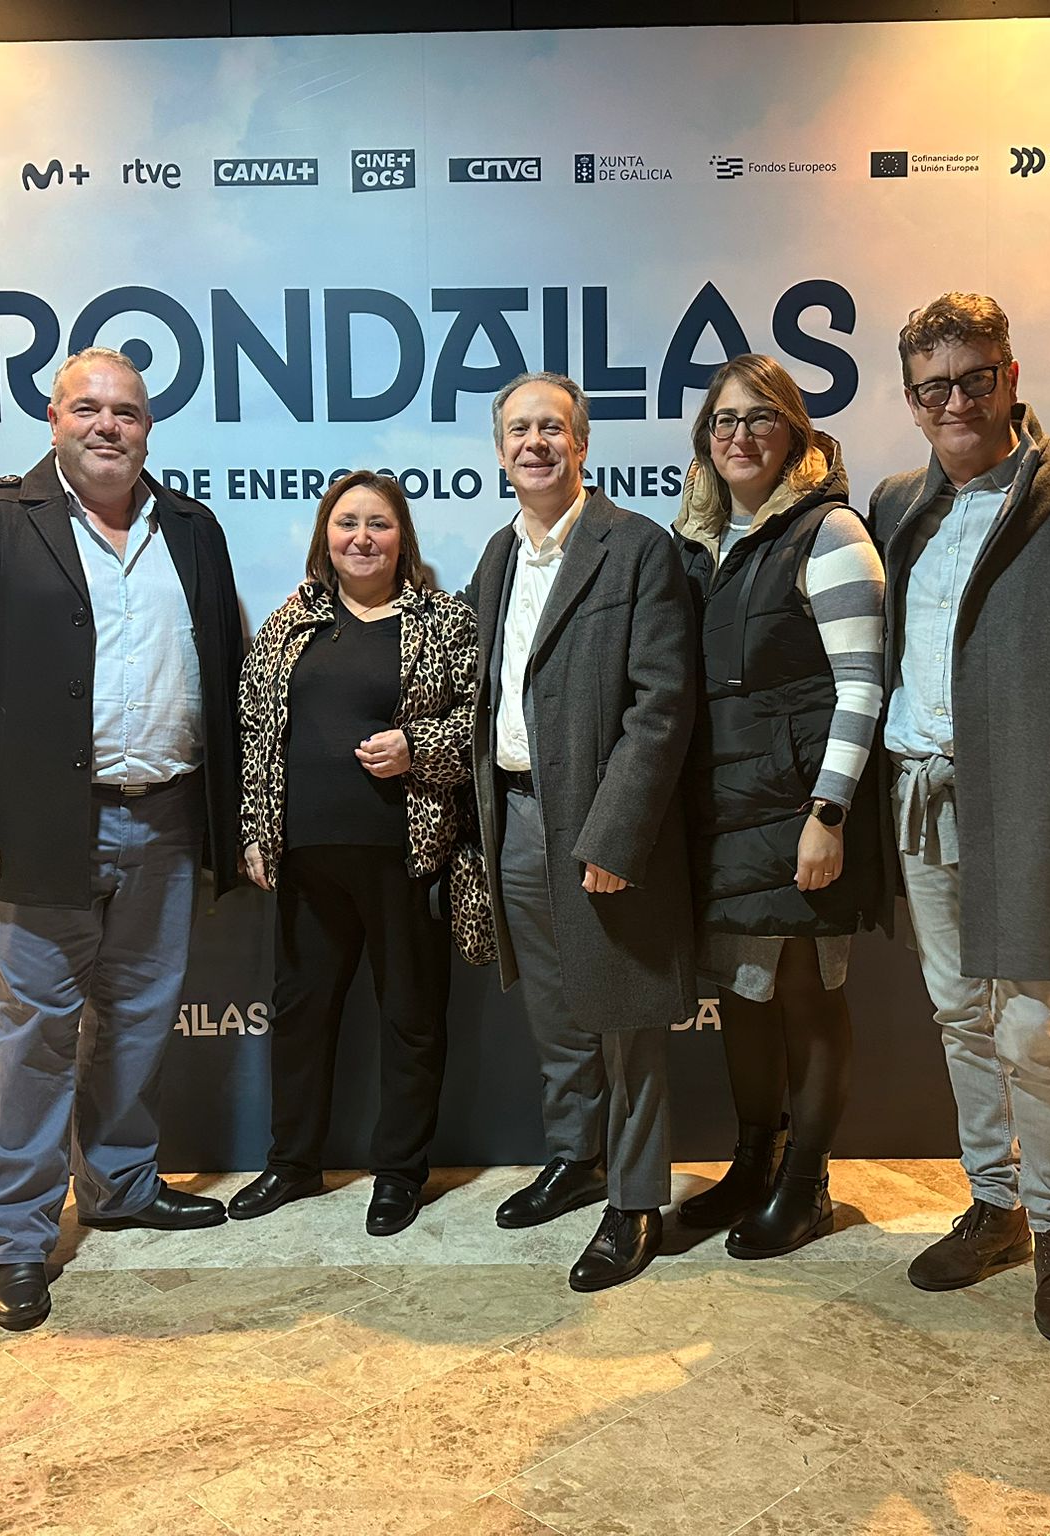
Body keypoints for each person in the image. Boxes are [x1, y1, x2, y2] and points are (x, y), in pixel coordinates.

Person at [0, 346, 245, 1333]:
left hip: (168, 815)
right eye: (87, 408)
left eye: (127, 412)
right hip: (38, 827)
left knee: (139, 1017)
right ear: (53, 419)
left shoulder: (192, 529)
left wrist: (234, 824)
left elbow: (226, 677)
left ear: (149, 428)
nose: (108, 426)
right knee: (31, 1033)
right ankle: (15, 1238)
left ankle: (121, 1185)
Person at [871, 294, 1050, 1348]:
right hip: (918, 797)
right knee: (959, 1016)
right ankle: (992, 1209)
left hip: (1036, 809)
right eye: (932, 387)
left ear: (1009, 375)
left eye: (974, 378)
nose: (955, 402)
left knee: (1036, 1031)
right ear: (910, 399)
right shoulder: (894, 502)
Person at [468, 371, 698, 1293]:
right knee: (555, 1009)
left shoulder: (636, 547)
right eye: (519, 430)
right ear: (500, 451)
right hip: (515, 816)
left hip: (600, 826)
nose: (535, 444)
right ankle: (577, 1157)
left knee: (626, 1015)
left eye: (552, 428)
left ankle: (635, 1201)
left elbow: (661, 705)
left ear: (582, 443)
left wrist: (616, 834)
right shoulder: (496, 556)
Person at [669, 354, 888, 1258]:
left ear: (794, 432)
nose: (740, 435)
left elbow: (863, 685)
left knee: (806, 994)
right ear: (705, 440)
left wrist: (827, 814)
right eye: (724, 420)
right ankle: (754, 1166)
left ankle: (806, 1187)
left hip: (802, 813)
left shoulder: (829, 531)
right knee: (743, 996)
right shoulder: (702, 545)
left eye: (760, 417)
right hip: (724, 814)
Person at [230, 472, 479, 1237]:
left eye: (378, 523)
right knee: (302, 1016)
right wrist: (254, 829)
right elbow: (254, 728)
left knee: (411, 1017)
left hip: (408, 856)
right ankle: (293, 1163)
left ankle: (400, 1172)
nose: (362, 538)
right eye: (347, 523)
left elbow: (481, 719)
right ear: (326, 537)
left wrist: (418, 747)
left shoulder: (443, 620)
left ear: (402, 537)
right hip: (307, 858)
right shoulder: (290, 623)